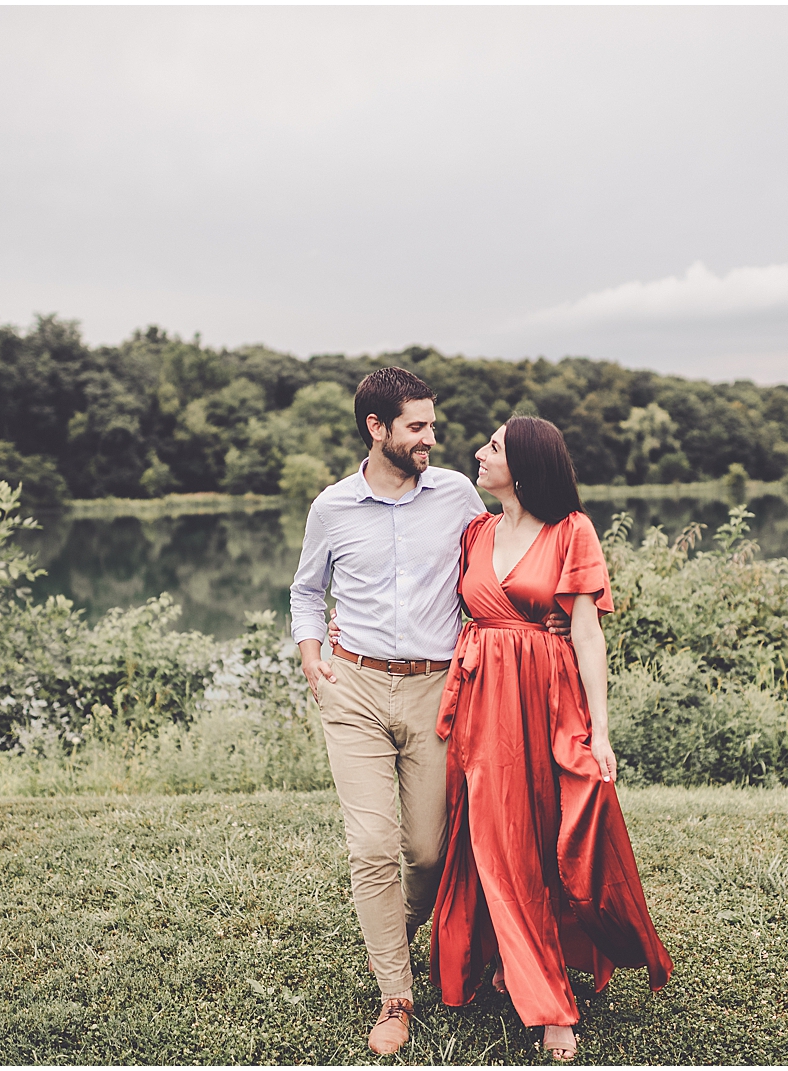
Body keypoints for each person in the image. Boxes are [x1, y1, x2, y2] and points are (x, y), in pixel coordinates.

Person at [289, 369, 568, 1055]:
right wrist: (309, 649)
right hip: (352, 687)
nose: (431, 440)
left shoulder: (456, 494)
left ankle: (391, 930)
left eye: (431, 426)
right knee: (373, 847)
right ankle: (395, 992)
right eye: (416, 427)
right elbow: (306, 590)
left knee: (430, 850)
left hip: (438, 690)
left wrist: (547, 619)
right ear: (376, 428)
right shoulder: (331, 507)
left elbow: (503, 556)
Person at [430, 416, 673, 1062]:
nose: (479, 454)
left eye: (493, 447)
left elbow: (587, 634)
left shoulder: (572, 531)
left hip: (549, 700)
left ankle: (531, 960)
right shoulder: (475, 531)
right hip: (484, 705)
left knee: (549, 836)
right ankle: (543, 998)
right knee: (493, 838)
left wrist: (601, 729)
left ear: (526, 464)